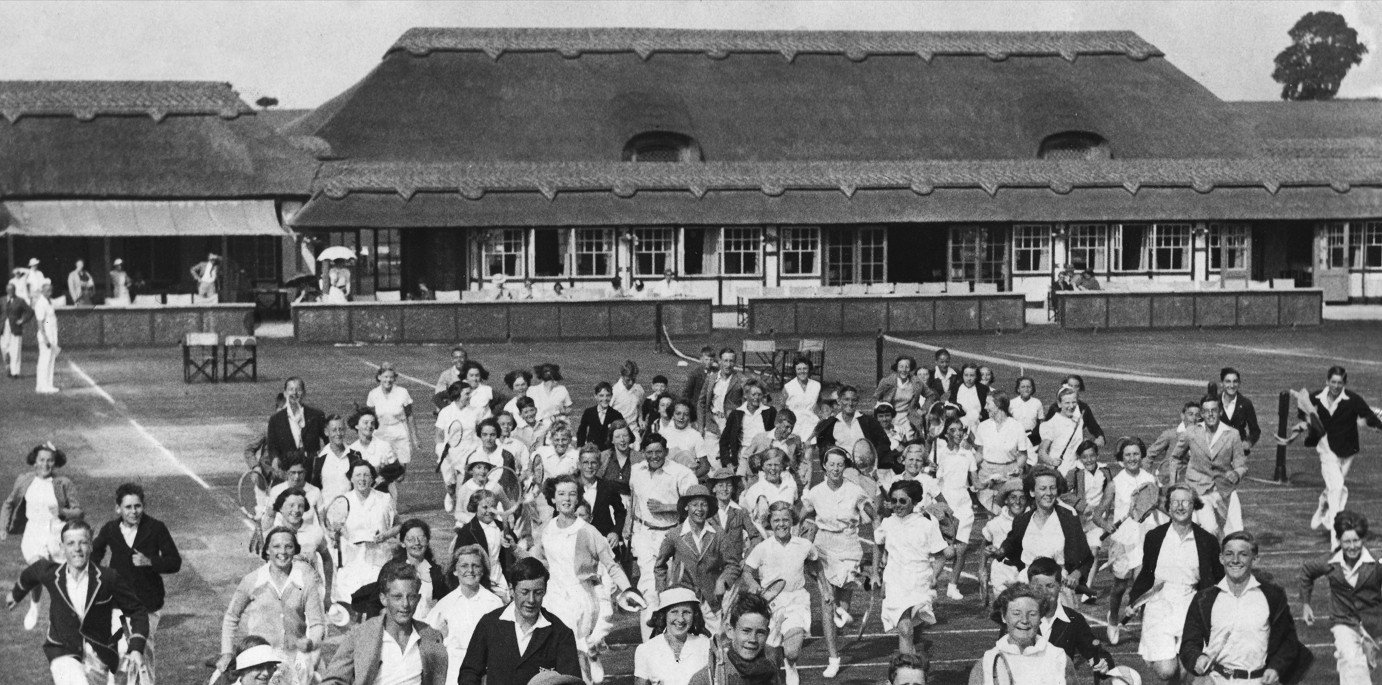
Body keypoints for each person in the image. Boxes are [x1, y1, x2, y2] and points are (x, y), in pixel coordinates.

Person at [9, 519, 148, 685]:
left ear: (91, 546)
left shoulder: (108, 578)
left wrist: (137, 647)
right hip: (63, 650)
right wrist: (16, 593)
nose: (77, 549)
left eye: (83, 543)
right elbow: (32, 572)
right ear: (62, 548)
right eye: (70, 543)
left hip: (98, 653)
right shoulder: (52, 574)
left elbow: (137, 610)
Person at [531, 474, 640, 683]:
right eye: (561, 494)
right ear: (552, 498)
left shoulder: (588, 531)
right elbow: (539, 561)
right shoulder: (547, 528)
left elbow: (611, 565)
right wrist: (514, 548)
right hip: (552, 598)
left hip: (580, 601)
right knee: (554, 658)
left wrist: (628, 590)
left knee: (575, 656)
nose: (567, 499)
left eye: (572, 494)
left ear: (578, 498)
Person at [1180, 531, 1314, 685]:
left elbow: (1288, 642)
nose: (1235, 560)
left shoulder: (1272, 596)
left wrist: (1276, 668)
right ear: (1221, 558)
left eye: (1243, 554)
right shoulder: (1204, 599)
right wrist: (1197, 659)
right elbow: (1188, 644)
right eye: (1229, 554)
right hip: (1216, 680)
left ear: (1254, 558)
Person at [1127, 484, 1223, 680]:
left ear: (1193, 505)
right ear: (1168, 507)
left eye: (1186, 502)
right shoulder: (1155, 537)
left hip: (1192, 608)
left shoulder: (1207, 541)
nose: (1180, 507)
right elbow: (1146, 573)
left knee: (1188, 669)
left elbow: (1217, 578)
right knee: (1167, 670)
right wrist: (1134, 600)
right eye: (1175, 502)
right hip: (1159, 606)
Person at [1279, 365, 1382, 545]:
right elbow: (1306, 417)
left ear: (1345, 383)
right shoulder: (1315, 398)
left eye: (1340, 383)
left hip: (1348, 451)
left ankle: (1321, 506)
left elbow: (1369, 417)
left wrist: (1378, 426)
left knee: (1335, 487)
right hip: (1326, 450)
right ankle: (1337, 539)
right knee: (1337, 489)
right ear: (1327, 381)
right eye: (1333, 382)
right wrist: (1301, 428)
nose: (1336, 386)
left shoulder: (1353, 399)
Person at [90, 483, 180, 684]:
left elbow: (175, 561)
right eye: (128, 507)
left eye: (137, 506)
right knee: (119, 650)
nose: (134, 511)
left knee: (142, 652)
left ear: (143, 506)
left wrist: (150, 561)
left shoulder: (156, 528)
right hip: (117, 602)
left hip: (147, 602)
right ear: (118, 508)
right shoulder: (110, 529)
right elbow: (95, 554)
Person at [219, 526, 325, 684]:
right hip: (259, 661)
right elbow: (231, 617)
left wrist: (311, 642)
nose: (282, 551)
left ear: (295, 550)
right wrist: (227, 652)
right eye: (276, 546)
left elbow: (317, 625)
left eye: (288, 546)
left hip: (294, 661)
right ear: (267, 550)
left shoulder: (306, 582)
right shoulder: (252, 580)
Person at [800, 445, 872, 669]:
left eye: (840, 464)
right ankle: (833, 658)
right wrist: (797, 534)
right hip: (824, 546)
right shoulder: (815, 492)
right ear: (824, 466)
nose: (836, 468)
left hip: (850, 545)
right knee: (828, 601)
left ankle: (839, 618)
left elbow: (869, 510)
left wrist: (873, 513)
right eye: (831, 464)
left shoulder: (855, 490)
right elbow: (805, 513)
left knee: (843, 607)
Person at [323, 560, 448, 685]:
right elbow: (333, 680)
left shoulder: (430, 637)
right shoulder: (361, 634)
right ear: (383, 599)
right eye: (397, 597)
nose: (405, 604)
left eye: (411, 597)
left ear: (418, 599)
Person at [459, 557, 581, 685]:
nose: (531, 600)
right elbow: (469, 672)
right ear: (512, 589)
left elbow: (571, 681)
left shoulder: (561, 633)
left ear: (545, 591)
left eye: (538, 592)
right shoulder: (489, 624)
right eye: (525, 592)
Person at [1, 442, 83, 631]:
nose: (46, 464)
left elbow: (79, 512)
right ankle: (35, 607)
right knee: (38, 569)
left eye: (50, 461)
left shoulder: (64, 483)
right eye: (42, 460)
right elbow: (9, 503)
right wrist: (2, 526)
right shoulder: (24, 480)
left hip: (58, 535)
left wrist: (63, 511)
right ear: (35, 461)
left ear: (55, 463)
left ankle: (56, 621)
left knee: (60, 580)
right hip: (34, 534)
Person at [626, 433, 698, 639]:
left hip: (672, 535)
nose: (654, 456)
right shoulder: (636, 471)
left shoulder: (680, 473)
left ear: (666, 452)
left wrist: (666, 507)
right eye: (649, 452)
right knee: (649, 588)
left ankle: (677, 638)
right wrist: (628, 528)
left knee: (672, 588)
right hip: (644, 535)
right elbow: (633, 501)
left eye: (658, 452)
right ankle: (649, 643)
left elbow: (696, 504)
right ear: (643, 453)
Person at [1300, 510, 1380, 685]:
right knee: (1353, 661)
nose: (1352, 546)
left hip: (1371, 624)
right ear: (1339, 541)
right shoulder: (1330, 562)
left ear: (1363, 539)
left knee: (1367, 668)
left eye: (1356, 540)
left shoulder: (1375, 565)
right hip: (1343, 621)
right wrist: (1306, 604)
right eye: (1347, 541)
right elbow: (1307, 572)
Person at [743, 502, 819, 685]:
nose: (781, 524)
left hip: (796, 600)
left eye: (786, 519)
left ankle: (791, 664)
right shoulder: (763, 547)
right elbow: (746, 571)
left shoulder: (804, 545)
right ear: (770, 522)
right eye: (776, 520)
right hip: (770, 603)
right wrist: (754, 585)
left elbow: (816, 564)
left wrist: (824, 588)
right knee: (771, 657)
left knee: (792, 651)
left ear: (792, 521)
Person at [873, 479, 948, 658]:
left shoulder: (927, 525)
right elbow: (878, 543)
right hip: (895, 582)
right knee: (905, 629)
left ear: (914, 502)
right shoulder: (888, 523)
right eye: (894, 501)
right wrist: (876, 572)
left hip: (919, 582)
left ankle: (910, 671)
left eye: (902, 501)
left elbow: (940, 555)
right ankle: (907, 673)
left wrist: (934, 576)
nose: (897, 505)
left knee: (914, 631)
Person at [655, 484, 743, 634]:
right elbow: (660, 565)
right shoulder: (675, 535)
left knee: (715, 641)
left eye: (704, 504)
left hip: (711, 601)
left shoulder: (718, 534)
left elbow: (733, 565)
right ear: (686, 508)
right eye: (695, 504)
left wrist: (723, 580)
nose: (699, 509)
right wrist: (663, 591)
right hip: (684, 600)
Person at [996, 467, 1092, 593]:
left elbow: (1087, 558)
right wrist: (1001, 550)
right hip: (1028, 586)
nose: (1049, 493)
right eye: (1043, 488)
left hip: (1058, 587)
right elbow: (1011, 543)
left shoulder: (1069, 519)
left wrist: (1075, 574)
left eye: (1052, 488)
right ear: (1031, 492)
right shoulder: (1022, 521)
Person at [1102, 437, 1159, 637]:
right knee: (1119, 587)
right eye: (1128, 455)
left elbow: (1156, 505)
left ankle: (1147, 626)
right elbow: (1099, 514)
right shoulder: (1115, 484)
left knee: (1142, 585)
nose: (1132, 458)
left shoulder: (1151, 480)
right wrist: (1105, 525)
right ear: (1121, 458)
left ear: (1141, 455)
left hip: (1146, 539)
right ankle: (1113, 618)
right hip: (1123, 541)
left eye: (1136, 454)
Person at [1171, 395, 1247, 538]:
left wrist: (1237, 473)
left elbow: (1241, 465)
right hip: (1199, 490)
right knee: (1210, 529)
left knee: (1235, 532)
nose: (1210, 414)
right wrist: (1173, 486)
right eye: (1206, 411)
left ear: (1220, 412)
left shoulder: (1232, 434)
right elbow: (1175, 458)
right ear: (1202, 413)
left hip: (1225, 489)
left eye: (1214, 410)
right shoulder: (1191, 432)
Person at [427, 544, 504, 685]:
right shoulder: (445, 604)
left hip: (485, 675)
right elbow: (428, 640)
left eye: (476, 566)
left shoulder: (494, 603)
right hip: (452, 675)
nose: (470, 570)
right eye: (464, 566)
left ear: (482, 571)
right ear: (455, 571)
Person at [1025, 557, 1113, 680]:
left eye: (1050, 586)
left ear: (1060, 586)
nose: (1044, 592)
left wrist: (1104, 663)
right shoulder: (1018, 618)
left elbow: (1095, 650)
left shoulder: (1073, 619)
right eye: (1038, 587)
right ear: (1029, 587)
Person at [967, 583, 1073, 685]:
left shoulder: (1059, 658)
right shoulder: (986, 663)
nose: (1024, 620)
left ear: (1040, 618)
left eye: (1032, 614)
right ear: (1003, 617)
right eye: (1016, 613)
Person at [330, 461, 400, 610]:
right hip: (352, 562)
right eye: (358, 475)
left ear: (372, 478)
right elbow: (334, 529)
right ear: (351, 478)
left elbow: (399, 525)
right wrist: (337, 532)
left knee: (377, 605)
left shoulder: (384, 499)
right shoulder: (343, 500)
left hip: (379, 560)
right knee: (352, 607)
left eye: (366, 475)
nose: (362, 479)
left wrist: (386, 535)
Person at [687, 591, 781, 685]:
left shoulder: (770, 672)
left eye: (760, 632)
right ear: (730, 630)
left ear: (767, 634)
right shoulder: (707, 678)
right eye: (746, 631)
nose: (753, 639)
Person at [972, 391, 1035, 515]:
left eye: (988, 404)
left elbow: (1023, 454)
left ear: (998, 404)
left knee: (1007, 512)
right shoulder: (983, 426)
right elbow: (979, 453)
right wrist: (969, 466)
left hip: (1008, 475)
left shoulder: (1016, 426)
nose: (985, 407)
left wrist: (1018, 467)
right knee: (990, 513)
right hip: (986, 474)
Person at [634, 586, 713, 685]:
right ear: (664, 615)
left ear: (694, 615)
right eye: (674, 612)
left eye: (686, 612)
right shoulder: (645, 650)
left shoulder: (706, 645)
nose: (680, 619)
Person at [812, 386, 893, 470]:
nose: (850, 403)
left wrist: (874, 462)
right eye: (846, 399)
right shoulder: (831, 424)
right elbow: (824, 449)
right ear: (839, 401)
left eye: (854, 400)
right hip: (841, 471)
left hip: (866, 470)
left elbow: (884, 443)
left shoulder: (868, 422)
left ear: (857, 401)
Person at [978, 479, 1026, 605]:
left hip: (1024, 570)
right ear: (1006, 500)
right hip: (1002, 571)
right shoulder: (995, 523)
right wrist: (982, 570)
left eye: (1022, 498)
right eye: (1013, 498)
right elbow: (986, 544)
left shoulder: (1032, 521)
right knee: (1004, 611)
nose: (1017, 502)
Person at [267, 377, 328, 477]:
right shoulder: (275, 419)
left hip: (311, 472)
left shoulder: (316, 415)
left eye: (298, 390)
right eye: (291, 389)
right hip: (287, 472)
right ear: (285, 393)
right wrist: (275, 459)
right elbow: (272, 447)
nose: (294, 393)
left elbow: (328, 440)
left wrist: (323, 461)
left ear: (304, 393)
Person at [393, 520, 451, 620]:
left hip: (426, 628)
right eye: (411, 539)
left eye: (421, 538)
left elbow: (446, 603)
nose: (417, 543)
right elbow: (375, 603)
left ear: (427, 541)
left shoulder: (436, 572)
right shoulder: (392, 569)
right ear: (403, 543)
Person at [368, 363, 419, 472]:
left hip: (399, 433)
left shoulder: (403, 392)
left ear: (395, 378)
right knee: (381, 470)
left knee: (399, 474)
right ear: (379, 377)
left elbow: (409, 415)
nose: (388, 380)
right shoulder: (373, 394)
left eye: (391, 377)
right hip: (380, 434)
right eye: (386, 377)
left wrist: (414, 437)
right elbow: (370, 417)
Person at [313, 414, 358, 504]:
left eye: (341, 429)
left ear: (345, 430)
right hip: (327, 512)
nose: (338, 433)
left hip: (350, 510)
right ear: (326, 432)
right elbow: (315, 489)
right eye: (334, 430)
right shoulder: (319, 459)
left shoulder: (354, 456)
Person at [1215, 367, 1261, 454]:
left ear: (1239, 383)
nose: (1232, 385)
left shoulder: (1245, 403)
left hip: (1238, 453)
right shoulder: (1214, 402)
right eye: (1228, 381)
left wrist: (1249, 442)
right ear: (1222, 383)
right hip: (1217, 452)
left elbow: (1255, 431)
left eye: (1235, 381)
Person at [700, 348, 747, 431]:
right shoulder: (711, 378)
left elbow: (748, 404)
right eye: (725, 361)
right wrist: (701, 426)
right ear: (720, 361)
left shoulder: (741, 380)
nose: (728, 365)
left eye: (731, 361)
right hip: (713, 424)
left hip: (732, 424)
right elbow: (701, 403)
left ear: (735, 363)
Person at [1147, 401, 1201, 468]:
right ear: (1183, 416)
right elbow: (1149, 454)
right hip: (1168, 476)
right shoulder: (1171, 435)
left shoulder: (1204, 437)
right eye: (1190, 414)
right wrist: (1146, 475)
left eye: (1197, 415)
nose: (1194, 418)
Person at [578, 382, 628, 452]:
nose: (605, 399)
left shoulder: (616, 415)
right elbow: (581, 431)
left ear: (611, 396)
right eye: (601, 395)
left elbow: (625, 433)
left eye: (608, 395)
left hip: (609, 453)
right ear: (595, 396)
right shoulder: (589, 412)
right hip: (592, 452)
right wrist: (580, 447)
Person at [2, 282, 33, 379]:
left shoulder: (20, 301)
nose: (10, 292)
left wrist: (22, 320)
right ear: (6, 290)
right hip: (3, 328)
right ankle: (8, 366)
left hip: (15, 327)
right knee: (4, 348)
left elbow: (30, 311)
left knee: (15, 350)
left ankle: (15, 372)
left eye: (12, 290)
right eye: (8, 290)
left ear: (14, 290)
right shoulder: (2, 300)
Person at [32, 280, 59, 393]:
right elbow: (40, 323)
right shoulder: (41, 303)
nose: (50, 292)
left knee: (50, 360)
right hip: (46, 337)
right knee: (45, 361)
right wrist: (46, 338)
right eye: (47, 290)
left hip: (52, 335)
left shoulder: (49, 302)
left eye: (51, 290)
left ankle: (48, 385)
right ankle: (42, 386)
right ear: (42, 291)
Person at [682, 346, 717, 422]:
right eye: (706, 359)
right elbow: (687, 391)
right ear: (701, 359)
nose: (709, 362)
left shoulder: (716, 372)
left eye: (711, 359)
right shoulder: (695, 373)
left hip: (712, 406)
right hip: (697, 406)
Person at [949, 363, 989, 429]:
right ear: (962, 375)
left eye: (972, 375)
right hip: (960, 424)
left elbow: (987, 409)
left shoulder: (983, 389)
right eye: (966, 375)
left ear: (976, 376)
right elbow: (952, 403)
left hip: (978, 423)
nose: (969, 378)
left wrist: (980, 416)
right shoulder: (956, 388)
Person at [612, 360, 646, 433]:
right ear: (622, 376)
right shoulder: (614, 391)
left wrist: (640, 419)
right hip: (617, 429)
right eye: (628, 380)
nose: (631, 383)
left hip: (633, 429)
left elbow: (639, 407)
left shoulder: (639, 390)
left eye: (633, 379)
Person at [432, 345, 470, 410]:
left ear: (466, 358)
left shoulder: (472, 374)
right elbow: (438, 396)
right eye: (456, 357)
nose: (459, 360)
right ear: (452, 360)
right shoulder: (446, 375)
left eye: (461, 357)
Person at [1009, 377, 1044, 444]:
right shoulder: (1012, 403)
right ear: (1018, 389)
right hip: (1016, 437)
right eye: (1023, 387)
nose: (1026, 389)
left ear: (1032, 388)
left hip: (1032, 437)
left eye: (1028, 387)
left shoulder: (1037, 403)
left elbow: (1041, 422)